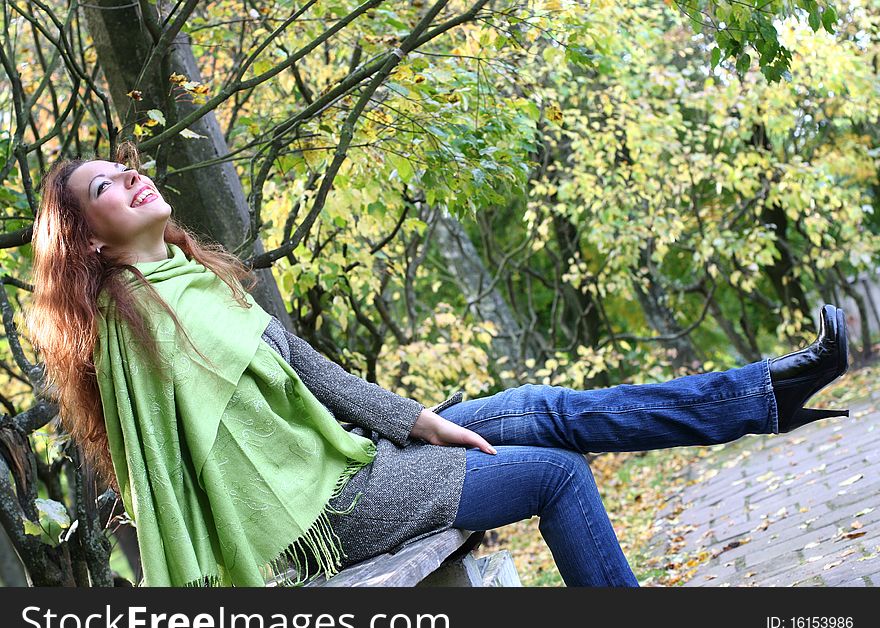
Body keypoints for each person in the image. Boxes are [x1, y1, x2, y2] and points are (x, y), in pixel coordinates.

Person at [25, 144, 851, 587]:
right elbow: (192, 472)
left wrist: (416, 420)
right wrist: (409, 428)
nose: (132, 174)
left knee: (542, 405)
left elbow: (315, 374)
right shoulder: (132, 326)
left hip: (356, 458)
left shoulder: (191, 283)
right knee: (558, 474)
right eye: (105, 183)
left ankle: (766, 393)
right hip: (330, 511)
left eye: (127, 164)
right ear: (89, 239)